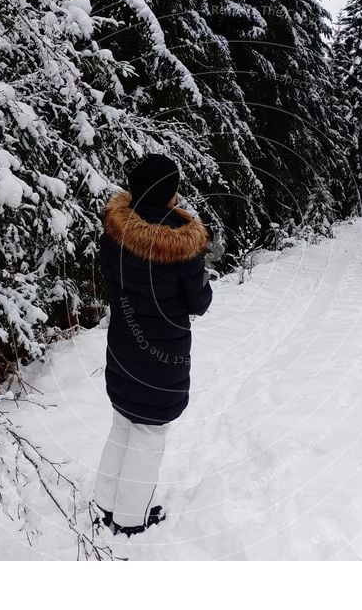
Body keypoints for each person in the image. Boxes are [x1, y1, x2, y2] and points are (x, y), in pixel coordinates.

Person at [92, 153, 213, 537]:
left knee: (123, 423)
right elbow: (200, 302)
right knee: (148, 434)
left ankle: (104, 503)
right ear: (170, 191)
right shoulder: (182, 241)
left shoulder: (114, 231)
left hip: (122, 347)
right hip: (163, 357)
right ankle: (130, 520)